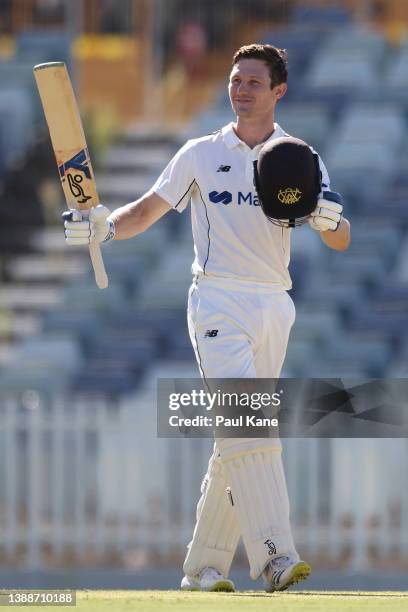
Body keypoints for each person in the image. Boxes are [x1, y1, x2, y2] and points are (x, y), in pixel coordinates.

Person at [64, 44, 351, 592]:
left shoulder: (299, 157)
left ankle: (204, 569)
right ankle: (275, 556)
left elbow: (340, 238)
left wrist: (328, 220)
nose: (241, 90)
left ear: (278, 91)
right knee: (249, 423)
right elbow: (145, 210)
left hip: (274, 304)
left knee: (235, 439)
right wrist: (101, 226)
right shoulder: (200, 153)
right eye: (235, 80)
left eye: (253, 82)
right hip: (217, 300)